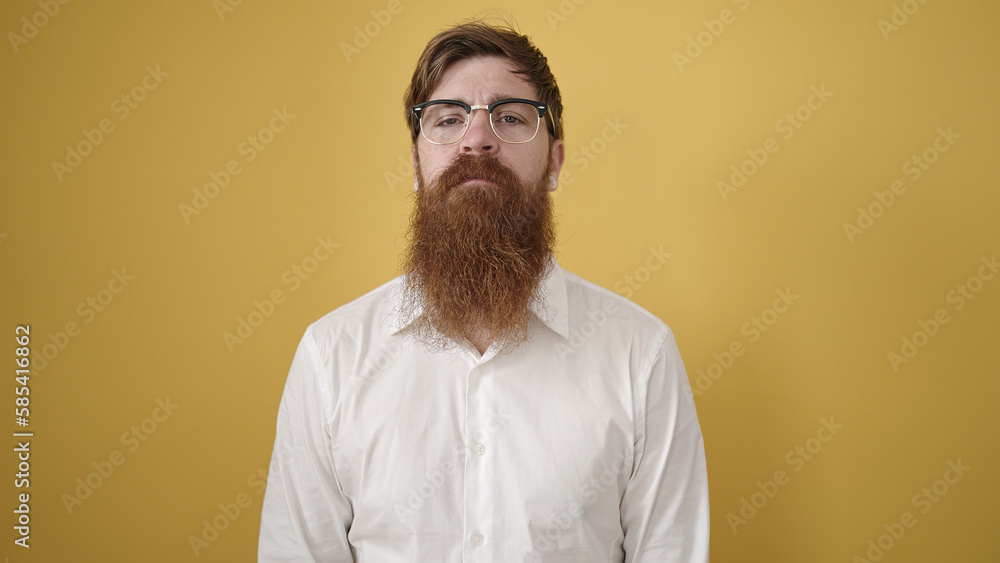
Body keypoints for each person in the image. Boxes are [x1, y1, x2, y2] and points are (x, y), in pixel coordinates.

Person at [258, 19, 709, 562]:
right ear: (417, 165)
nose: (477, 138)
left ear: (554, 164)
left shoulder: (642, 355)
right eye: (448, 119)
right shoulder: (330, 357)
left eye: (511, 117)